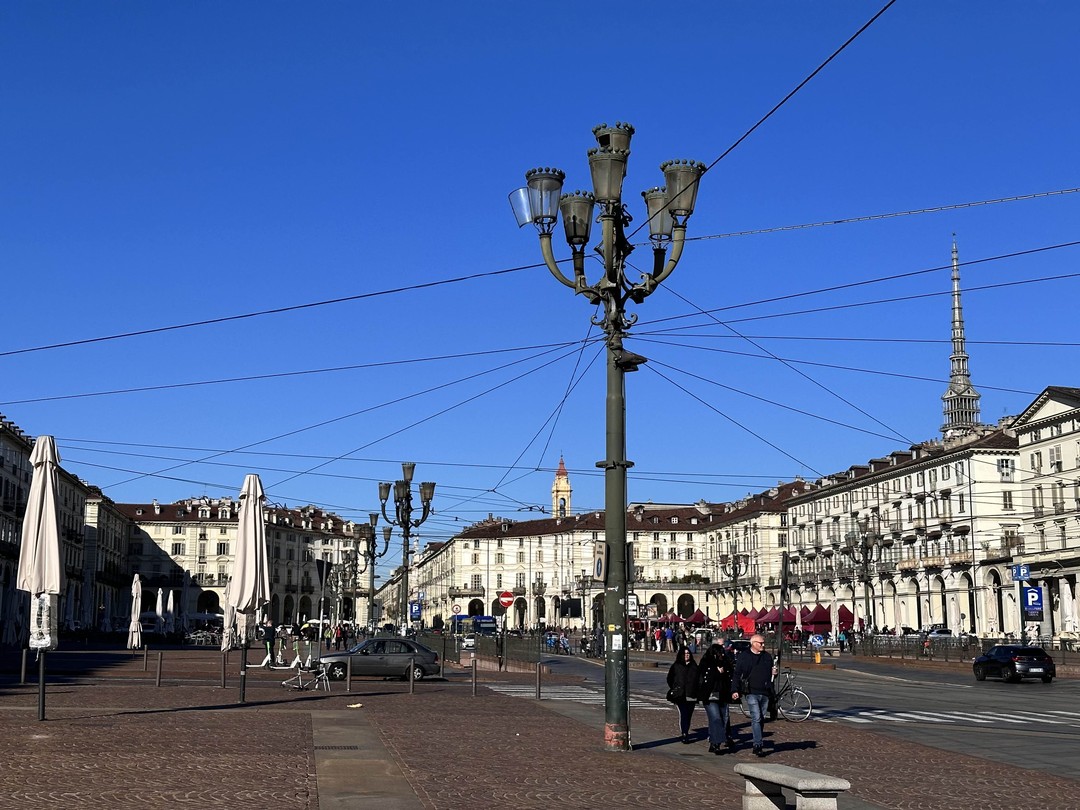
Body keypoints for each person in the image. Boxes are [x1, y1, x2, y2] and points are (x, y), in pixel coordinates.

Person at [731, 633, 777, 757]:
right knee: (756, 717)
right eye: (760, 643)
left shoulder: (767, 657)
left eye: (763, 643)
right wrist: (734, 690)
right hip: (751, 692)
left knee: (761, 719)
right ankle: (758, 744)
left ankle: (758, 740)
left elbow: (771, 674)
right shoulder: (744, 656)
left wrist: (774, 673)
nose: (763, 645)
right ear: (753, 643)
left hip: (765, 692)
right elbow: (737, 674)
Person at [696, 641, 735, 754]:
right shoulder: (706, 663)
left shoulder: (726, 663)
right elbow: (703, 679)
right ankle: (716, 742)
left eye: (722, 653)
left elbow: (730, 678)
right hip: (710, 695)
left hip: (723, 694)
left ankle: (714, 742)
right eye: (720, 653)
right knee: (715, 718)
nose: (722, 655)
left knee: (723, 718)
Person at [666, 645, 699, 744]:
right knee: (683, 713)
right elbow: (670, 678)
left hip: (691, 694)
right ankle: (684, 733)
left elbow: (698, 679)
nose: (687, 655)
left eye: (688, 654)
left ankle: (686, 730)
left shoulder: (694, 666)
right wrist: (675, 687)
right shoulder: (676, 666)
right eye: (685, 654)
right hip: (679, 695)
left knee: (689, 714)